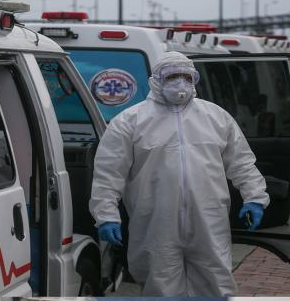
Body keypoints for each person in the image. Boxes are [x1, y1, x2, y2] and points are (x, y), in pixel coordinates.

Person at [89, 51, 270, 296]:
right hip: (155, 221)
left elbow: (242, 163)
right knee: (160, 284)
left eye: (187, 76)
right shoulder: (130, 121)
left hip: (209, 218)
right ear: (156, 80)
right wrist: (106, 214)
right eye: (172, 76)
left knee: (215, 281)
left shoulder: (216, 117)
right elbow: (109, 173)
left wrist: (255, 198)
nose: (180, 83)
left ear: (195, 79)